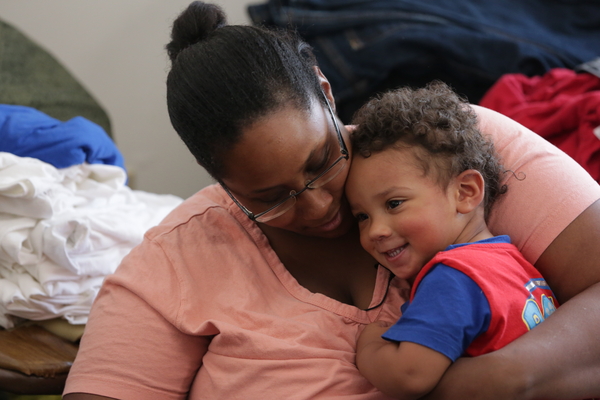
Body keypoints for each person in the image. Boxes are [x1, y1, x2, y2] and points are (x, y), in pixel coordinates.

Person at [63, 2, 600, 399]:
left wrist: (505, 379)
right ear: (218, 181)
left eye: (322, 161)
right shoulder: (170, 267)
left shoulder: (448, 146)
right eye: (271, 198)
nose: (320, 206)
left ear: (325, 90)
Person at [345, 82, 558, 400]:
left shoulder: (453, 277)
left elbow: (409, 377)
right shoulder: (511, 260)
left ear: (465, 192)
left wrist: (369, 345)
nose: (376, 230)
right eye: (362, 216)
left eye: (394, 204)